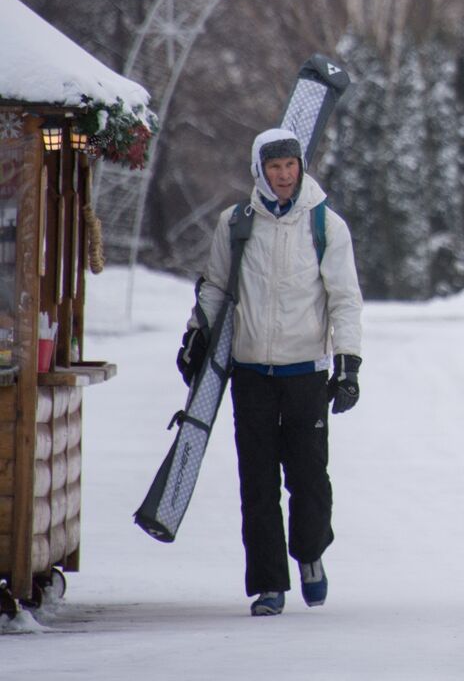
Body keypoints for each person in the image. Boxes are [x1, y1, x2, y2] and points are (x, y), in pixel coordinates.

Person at [177, 127, 364, 616]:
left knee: (309, 478)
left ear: (301, 167)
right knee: (257, 483)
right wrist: (196, 336)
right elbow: (216, 286)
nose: (284, 175)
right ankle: (268, 585)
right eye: (275, 167)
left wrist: (347, 365)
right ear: (259, 170)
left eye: (290, 166)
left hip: (306, 373)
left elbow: (345, 299)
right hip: (251, 374)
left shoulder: (326, 226)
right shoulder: (236, 223)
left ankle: (310, 555)